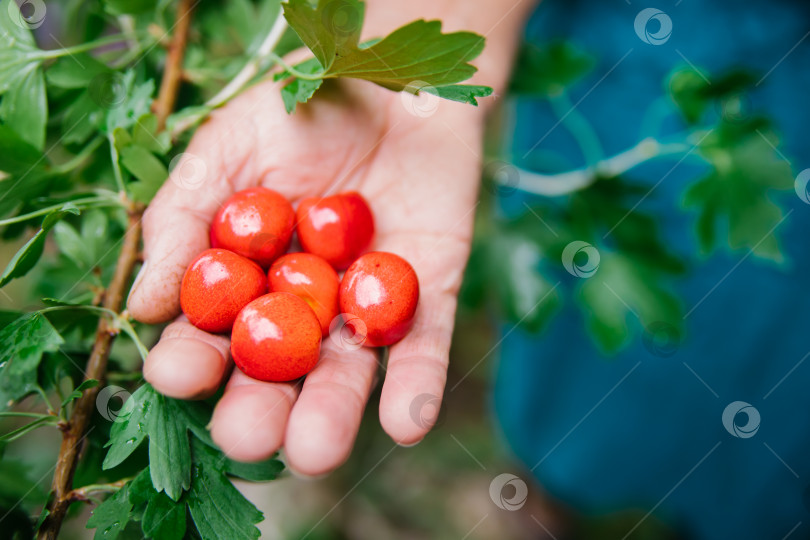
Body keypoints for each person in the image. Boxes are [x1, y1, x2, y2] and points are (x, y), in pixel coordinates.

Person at [128, 0, 810, 538]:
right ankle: (553, 491)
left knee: (768, 368)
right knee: (581, 369)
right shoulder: (295, 268)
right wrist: (425, 33)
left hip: (762, 84)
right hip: (636, 58)